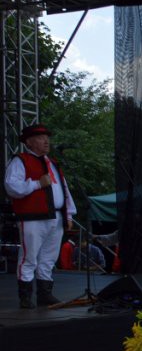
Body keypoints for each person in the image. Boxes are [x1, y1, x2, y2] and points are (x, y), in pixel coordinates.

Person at [4, 124, 77, 308]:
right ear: (29, 142)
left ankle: (45, 294)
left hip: (55, 217)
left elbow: (64, 190)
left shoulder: (52, 163)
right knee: (29, 257)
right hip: (33, 217)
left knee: (49, 258)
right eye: (40, 137)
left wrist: (68, 214)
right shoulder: (20, 161)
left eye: (47, 137)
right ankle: (25, 297)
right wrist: (37, 183)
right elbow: (12, 187)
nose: (46, 141)